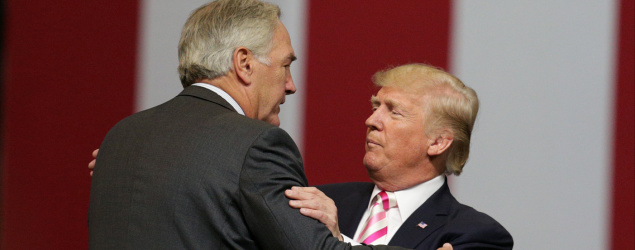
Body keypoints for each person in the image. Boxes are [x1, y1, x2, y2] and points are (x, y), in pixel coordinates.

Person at [88, 1, 408, 249]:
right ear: (244, 64)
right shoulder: (256, 144)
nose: (291, 85)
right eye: (285, 65)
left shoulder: (120, 138)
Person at [285, 64, 513, 249]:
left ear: (437, 142)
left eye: (394, 112)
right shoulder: (320, 203)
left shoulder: (476, 235)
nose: (371, 121)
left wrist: (338, 244)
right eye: (376, 107)